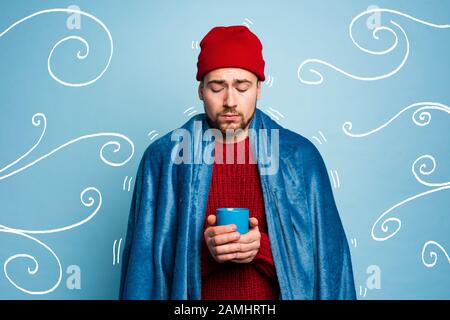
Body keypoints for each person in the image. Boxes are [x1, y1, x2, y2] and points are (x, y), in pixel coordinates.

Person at [119, 25, 356, 300]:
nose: (230, 101)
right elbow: (145, 271)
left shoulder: (300, 158)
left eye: (242, 87)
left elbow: (329, 268)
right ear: (200, 91)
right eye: (217, 87)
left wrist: (263, 249)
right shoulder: (164, 159)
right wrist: (205, 252)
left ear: (259, 89)